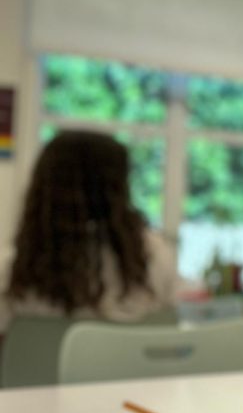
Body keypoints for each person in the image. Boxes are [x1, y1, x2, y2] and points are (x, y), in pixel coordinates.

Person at [0, 131, 178, 338]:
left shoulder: (14, 272)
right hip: (125, 371)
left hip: (35, 370)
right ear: (119, 189)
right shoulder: (153, 260)